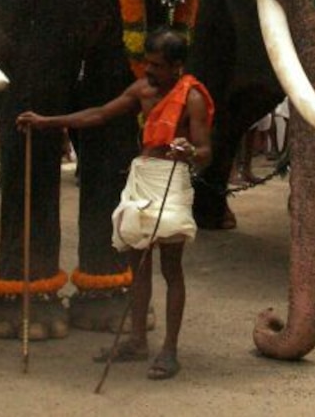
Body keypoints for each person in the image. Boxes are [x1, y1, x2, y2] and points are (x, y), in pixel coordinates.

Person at [16, 26, 212, 380]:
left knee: (171, 267)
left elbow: (205, 151)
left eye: (157, 65)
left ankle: (169, 350)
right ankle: (137, 342)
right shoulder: (142, 90)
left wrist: (189, 152)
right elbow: (100, 114)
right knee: (136, 263)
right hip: (142, 177)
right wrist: (48, 123)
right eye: (147, 62)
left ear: (177, 66)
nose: (149, 71)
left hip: (171, 182)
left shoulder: (192, 97)